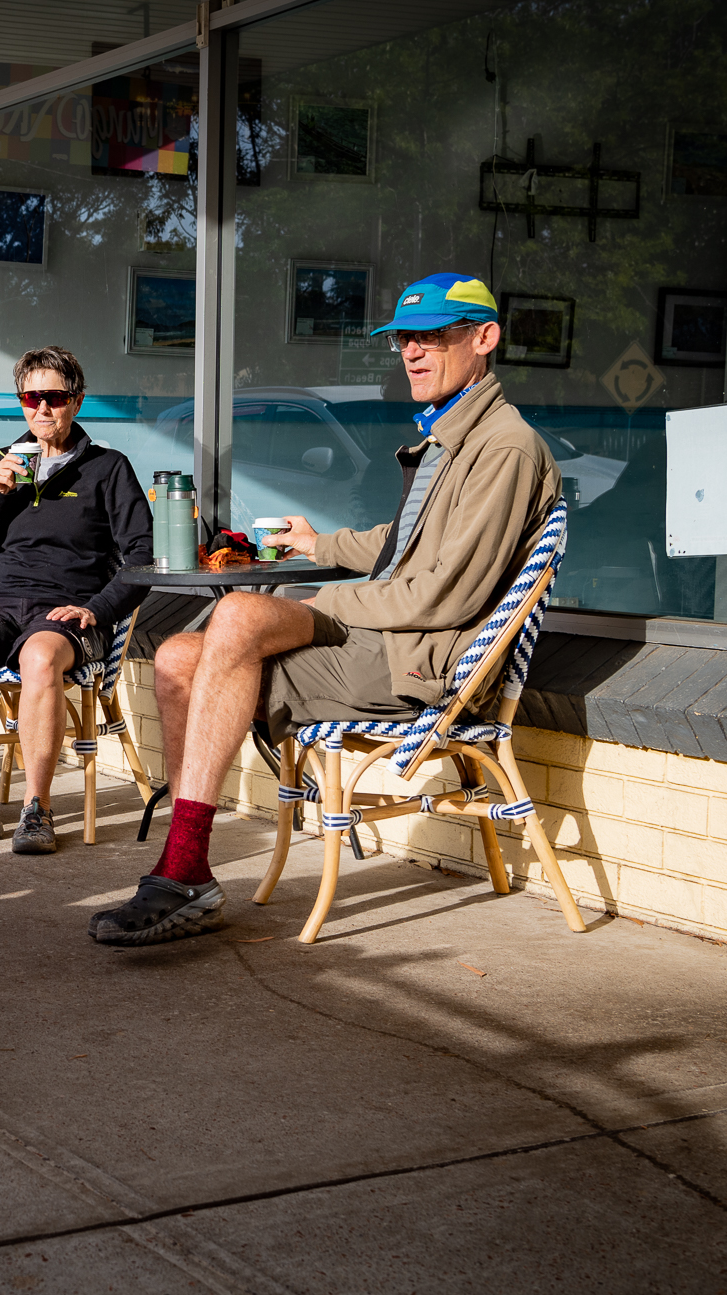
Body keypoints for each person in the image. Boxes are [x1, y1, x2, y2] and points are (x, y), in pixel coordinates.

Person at [88, 273, 562, 945]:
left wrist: (321, 595)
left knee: (239, 619)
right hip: (385, 633)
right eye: (405, 339)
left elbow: (442, 595)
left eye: (434, 336)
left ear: (484, 339)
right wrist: (321, 542)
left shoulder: (503, 447)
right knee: (174, 655)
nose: (414, 352)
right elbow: (403, 545)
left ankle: (185, 871)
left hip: (417, 659)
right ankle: (182, 856)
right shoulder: (451, 434)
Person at [0, 345, 153, 855]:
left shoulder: (109, 469)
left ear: (77, 402)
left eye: (55, 397)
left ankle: (36, 808)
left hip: (69, 608)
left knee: (39, 657)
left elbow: (144, 557)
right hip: (3, 604)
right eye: (31, 397)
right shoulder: (1, 465)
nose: (42, 409)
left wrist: (100, 608)